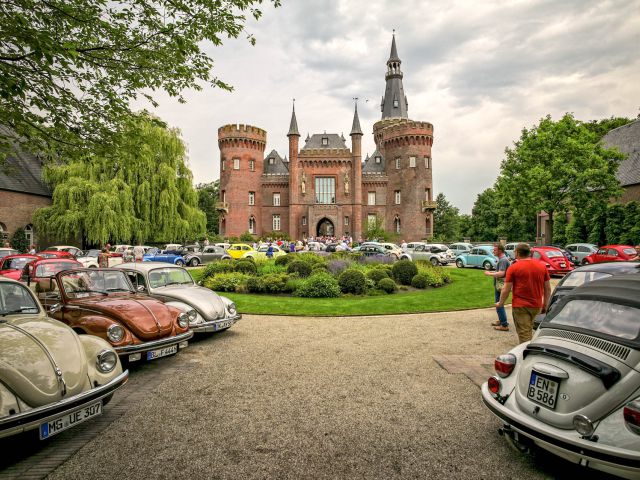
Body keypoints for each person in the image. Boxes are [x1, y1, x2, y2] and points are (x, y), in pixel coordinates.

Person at [496, 243, 551, 343]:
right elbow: (547, 288)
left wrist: (501, 303)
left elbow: (506, 289)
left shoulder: (514, 268)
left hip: (521, 306)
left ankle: (526, 356)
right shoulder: (542, 266)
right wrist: (545, 305)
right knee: (529, 330)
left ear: (517, 253)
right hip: (536, 306)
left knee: (524, 336)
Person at [484, 244, 510, 331]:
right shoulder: (502, 259)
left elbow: (501, 273)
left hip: (501, 285)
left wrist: (489, 274)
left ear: (500, 251)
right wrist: (492, 271)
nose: (493, 251)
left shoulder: (502, 260)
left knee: (499, 304)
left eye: (495, 250)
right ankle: (501, 320)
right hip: (500, 285)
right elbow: (500, 271)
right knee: (498, 303)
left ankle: (504, 325)